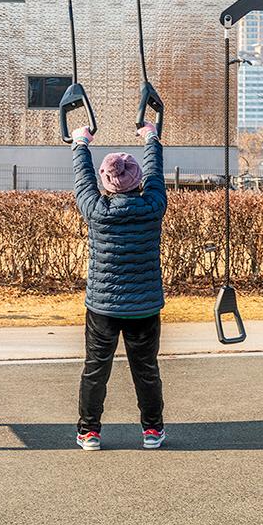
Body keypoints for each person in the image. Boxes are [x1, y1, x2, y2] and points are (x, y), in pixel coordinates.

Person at [69, 121, 168, 451]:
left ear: (106, 182)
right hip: (144, 307)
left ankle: (89, 432)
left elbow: (83, 178)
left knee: (95, 369)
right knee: (146, 370)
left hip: (104, 308)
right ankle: (152, 430)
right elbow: (154, 171)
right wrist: (151, 136)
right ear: (138, 180)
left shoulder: (97, 209)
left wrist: (80, 142)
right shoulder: (152, 206)